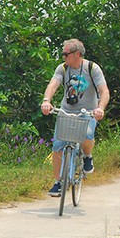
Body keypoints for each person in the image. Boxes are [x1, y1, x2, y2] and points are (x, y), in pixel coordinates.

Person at [40, 39, 110, 197]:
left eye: (66, 54)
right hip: (66, 111)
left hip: (88, 112)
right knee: (58, 145)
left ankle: (87, 156)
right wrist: (46, 101)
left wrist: (100, 108)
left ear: (77, 54)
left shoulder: (92, 68)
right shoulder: (63, 69)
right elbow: (52, 85)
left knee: (87, 135)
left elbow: (104, 91)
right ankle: (58, 182)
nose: (63, 57)